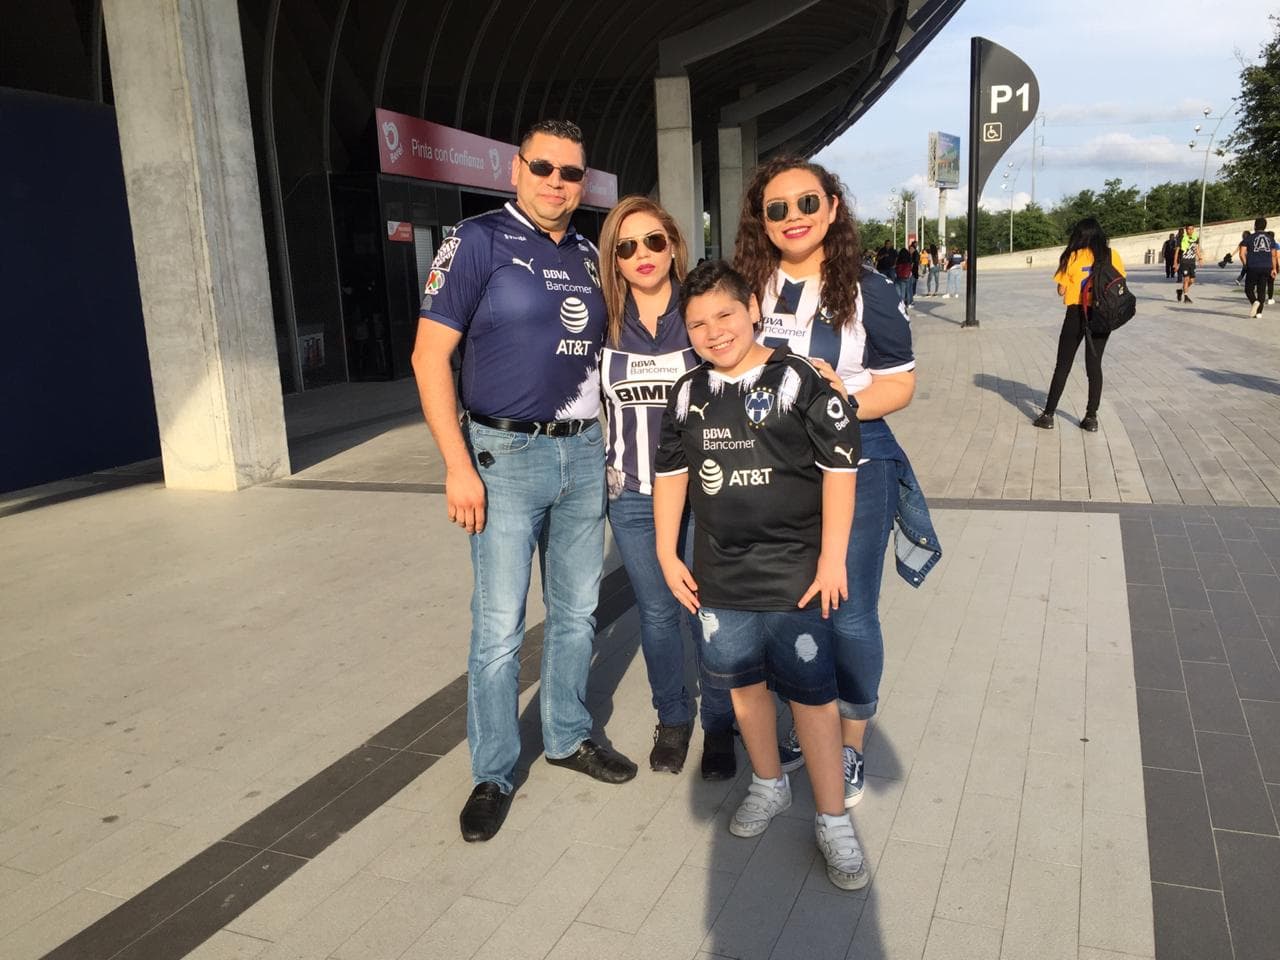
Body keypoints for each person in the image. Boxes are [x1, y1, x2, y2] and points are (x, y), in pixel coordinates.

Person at [411, 119, 636, 844]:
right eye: (543, 168)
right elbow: (427, 357)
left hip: (584, 455)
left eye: (570, 174)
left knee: (576, 614)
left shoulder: (588, 254)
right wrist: (455, 465)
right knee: (500, 629)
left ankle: (567, 736)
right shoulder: (475, 241)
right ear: (516, 169)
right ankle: (495, 770)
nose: (556, 184)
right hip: (503, 460)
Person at [652, 259, 868, 890]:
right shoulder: (687, 393)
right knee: (744, 689)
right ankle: (769, 785)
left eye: (724, 314)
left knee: (812, 697)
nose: (714, 331)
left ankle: (833, 820)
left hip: (798, 573)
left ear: (751, 306)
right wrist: (669, 553)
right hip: (723, 574)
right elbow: (671, 476)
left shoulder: (799, 378)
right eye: (697, 324)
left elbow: (840, 469)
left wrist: (833, 558)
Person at [734, 155, 941, 809]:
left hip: (856, 459)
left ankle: (850, 746)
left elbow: (901, 382)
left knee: (848, 611)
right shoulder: (747, 286)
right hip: (769, 466)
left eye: (805, 203)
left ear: (832, 208)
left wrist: (837, 403)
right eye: (777, 208)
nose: (792, 217)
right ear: (760, 222)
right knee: (785, 604)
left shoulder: (867, 287)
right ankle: (803, 726)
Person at [597, 196, 737, 778]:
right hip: (632, 495)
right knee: (657, 614)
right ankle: (673, 718)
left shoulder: (696, 313)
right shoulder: (603, 320)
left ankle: (722, 724)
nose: (642, 255)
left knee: (711, 609)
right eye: (626, 247)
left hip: (705, 495)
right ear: (615, 259)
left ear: (674, 244)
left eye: (653, 240)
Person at [1032, 217, 1125, 433]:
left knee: (1063, 365)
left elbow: (1061, 290)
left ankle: (1048, 415)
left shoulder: (1072, 256)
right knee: (1094, 366)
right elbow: (1120, 283)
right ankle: (1091, 418)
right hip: (1102, 315)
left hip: (1076, 313)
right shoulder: (1112, 255)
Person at [1239, 218, 1276, 318]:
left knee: (1249, 289)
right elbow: (1273, 255)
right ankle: (1259, 313)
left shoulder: (1249, 238)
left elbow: (1242, 254)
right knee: (1261, 289)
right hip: (1267, 267)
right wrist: (1274, 269)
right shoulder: (1270, 238)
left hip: (1253, 266)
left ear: (1255, 226)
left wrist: (1246, 265)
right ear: (1265, 226)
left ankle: (1254, 302)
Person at [1176, 223, 1201, 303]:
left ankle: (1180, 290)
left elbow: (1196, 248)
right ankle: (1186, 296)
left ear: (1193, 230)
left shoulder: (1195, 238)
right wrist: (1175, 263)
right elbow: (1177, 252)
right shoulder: (1182, 238)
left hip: (1192, 262)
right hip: (1184, 262)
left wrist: (1200, 257)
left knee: (1192, 281)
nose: (1190, 231)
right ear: (1186, 230)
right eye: (1188, 229)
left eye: (1191, 229)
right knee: (1186, 279)